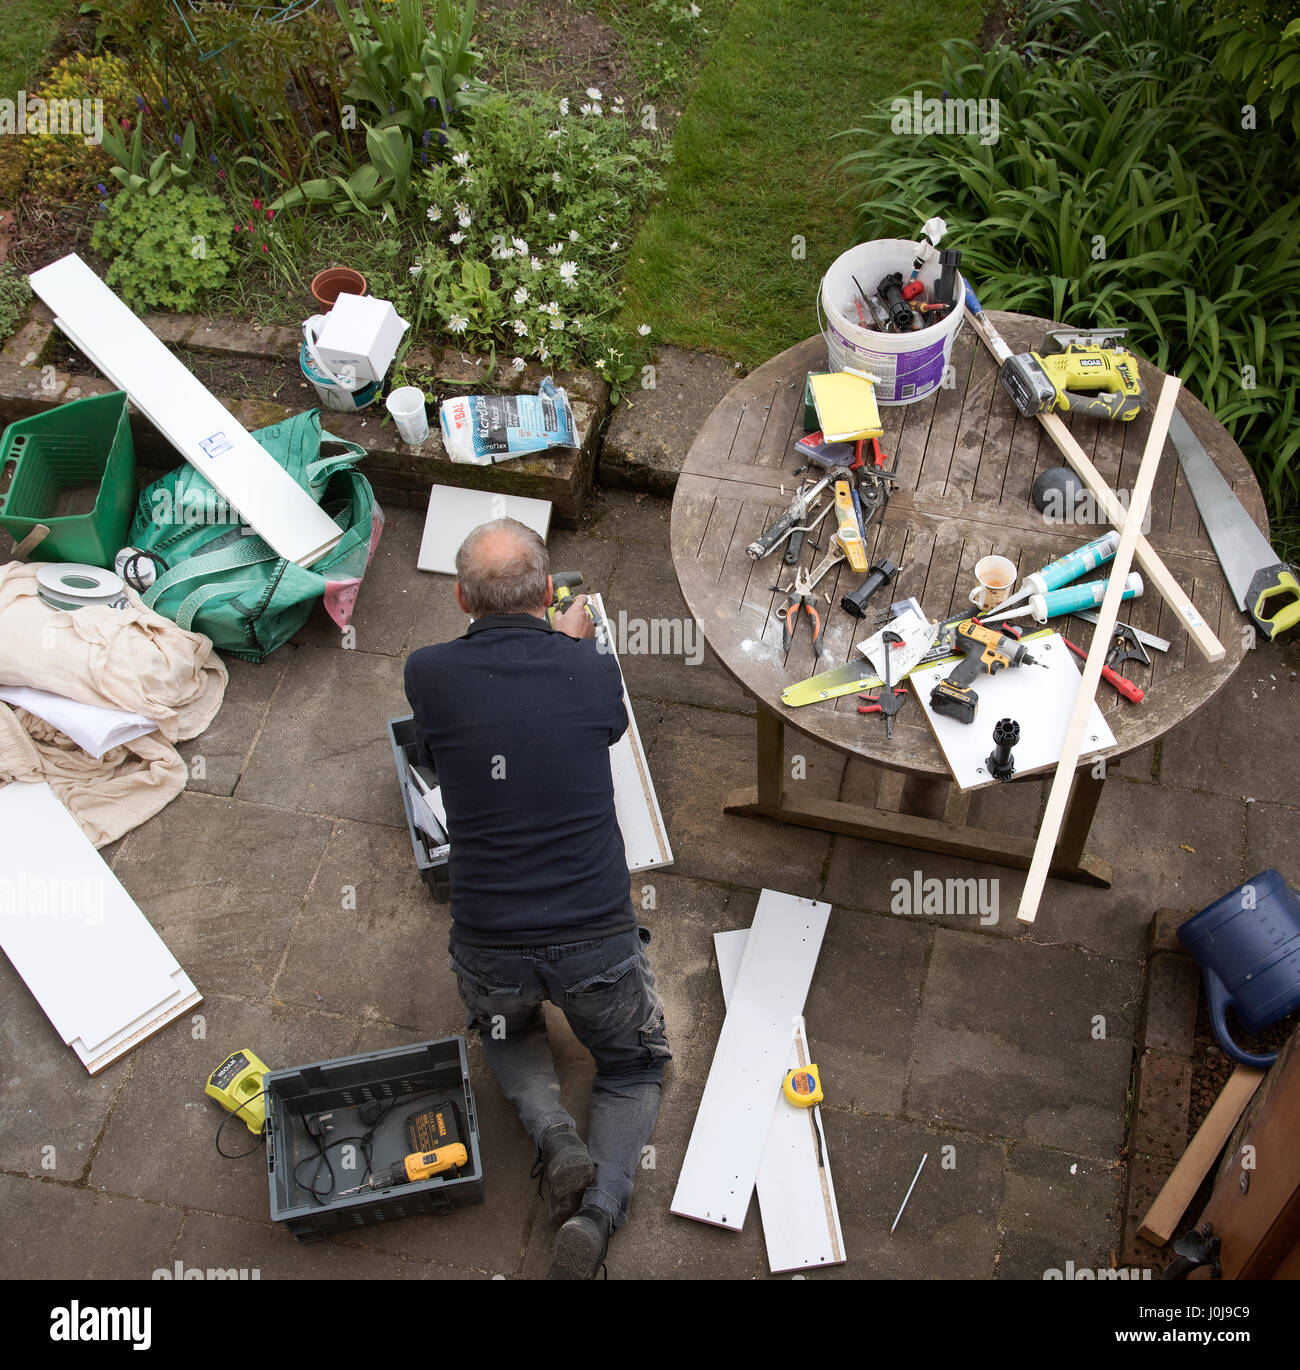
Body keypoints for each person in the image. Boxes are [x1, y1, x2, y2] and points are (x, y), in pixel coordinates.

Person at [403, 518, 669, 1279]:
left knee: (504, 1029)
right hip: (596, 949)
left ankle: (554, 1134)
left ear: (460, 599)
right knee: (630, 1067)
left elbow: (430, 744)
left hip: (490, 950)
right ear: (551, 593)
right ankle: (598, 1210)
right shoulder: (589, 670)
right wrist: (576, 645)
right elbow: (608, 725)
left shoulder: (427, 671)